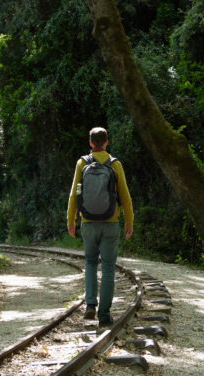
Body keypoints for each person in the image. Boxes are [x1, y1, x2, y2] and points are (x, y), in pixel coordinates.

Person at [66, 126, 133, 327]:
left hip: (87, 223)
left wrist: (71, 221)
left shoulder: (81, 163)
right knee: (109, 268)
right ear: (106, 142)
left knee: (90, 263)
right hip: (111, 224)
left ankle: (90, 306)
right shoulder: (115, 165)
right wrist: (129, 222)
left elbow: (73, 194)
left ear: (90, 143)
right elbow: (125, 197)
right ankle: (104, 315)